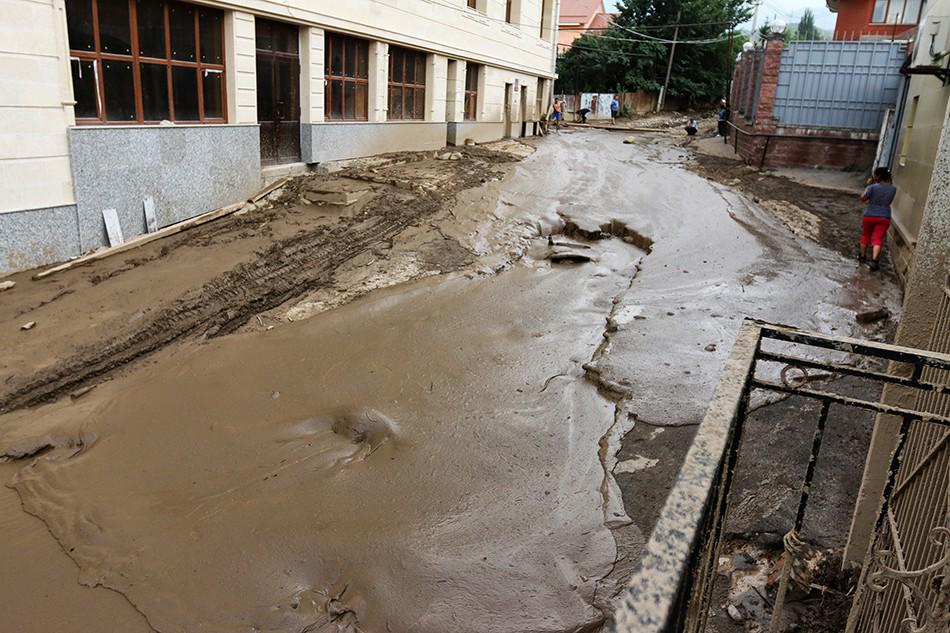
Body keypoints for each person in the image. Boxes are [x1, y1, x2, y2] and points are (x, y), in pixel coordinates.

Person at [858, 167, 896, 271]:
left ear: (878, 176)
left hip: (869, 215)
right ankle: (874, 261)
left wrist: (868, 185)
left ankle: (862, 257)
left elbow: (862, 198)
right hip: (884, 216)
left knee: (865, 235)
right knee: (878, 238)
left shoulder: (872, 187)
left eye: (875, 175)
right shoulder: (893, 189)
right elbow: (889, 200)